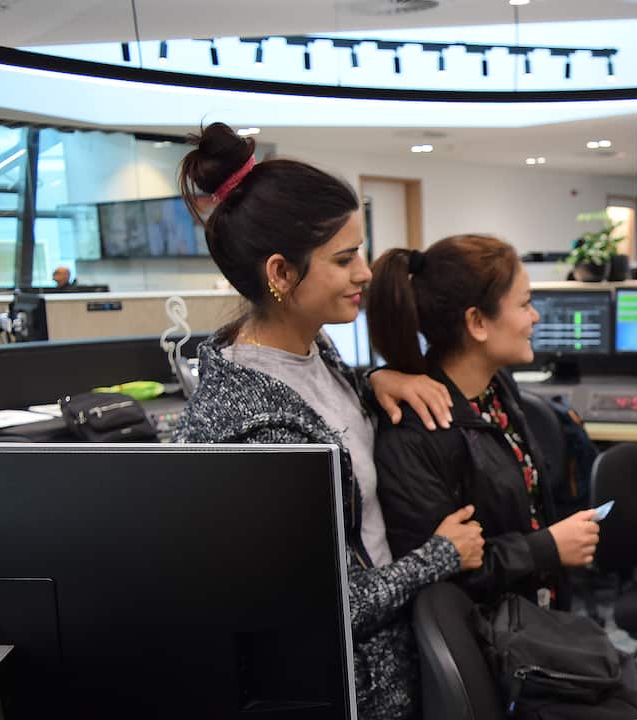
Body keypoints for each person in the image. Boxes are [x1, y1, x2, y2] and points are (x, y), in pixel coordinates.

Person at [170, 122, 485, 720]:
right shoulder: (254, 433)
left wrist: (372, 382)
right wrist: (441, 555)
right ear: (281, 274)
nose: (364, 272)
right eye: (344, 259)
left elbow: (326, 417)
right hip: (346, 690)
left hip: (386, 661)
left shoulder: (312, 349)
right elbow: (319, 606)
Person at [367, 237, 601, 610]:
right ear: (477, 322)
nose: (535, 317)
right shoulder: (415, 431)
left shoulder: (496, 387)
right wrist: (548, 548)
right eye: (525, 304)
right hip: (489, 645)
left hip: (532, 618)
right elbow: (444, 576)